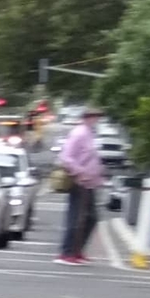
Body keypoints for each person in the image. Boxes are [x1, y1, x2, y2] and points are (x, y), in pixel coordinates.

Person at [56, 106, 105, 265]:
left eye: (97, 116)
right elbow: (66, 157)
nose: (96, 119)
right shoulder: (79, 133)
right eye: (94, 116)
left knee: (91, 218)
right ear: (87, 117)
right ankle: (67, 252)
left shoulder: (89, 133)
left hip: (89, 183)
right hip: (80, 182)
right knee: (77, 218)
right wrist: (80, 172)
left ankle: (77, 250)